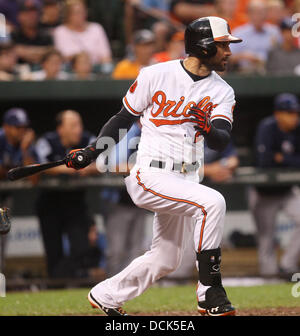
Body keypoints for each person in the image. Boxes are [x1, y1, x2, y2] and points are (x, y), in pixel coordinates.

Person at [64, 16, 242, 316]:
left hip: (186, 178)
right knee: (212, 203)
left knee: (166, 257)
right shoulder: (156, 74)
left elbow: (221, 140)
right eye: (223, 45)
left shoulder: (222, 91)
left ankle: (106, 294)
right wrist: (93, 151)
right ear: (204, 46)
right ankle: (210, 290)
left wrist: (209, 129)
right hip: (151, 172)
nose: (228, 52)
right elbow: (123, 117)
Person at [35, 110, 99, 279]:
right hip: (50, 202)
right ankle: (56, 285)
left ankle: (66, 279)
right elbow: (43, 165)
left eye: (79, 125)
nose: (78, 130)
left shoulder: (87, 140)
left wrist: (89, 169)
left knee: (81, 248)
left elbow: (102, 163)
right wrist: (75, 167)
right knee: (53, 251)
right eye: (72, 126)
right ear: (60, 129)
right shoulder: (48, 141)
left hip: (75, 203)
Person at [249, 93, 300, 278]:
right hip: (263, 193)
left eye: (295, 113)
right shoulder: (267, 127)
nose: (294, 117)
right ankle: (269, 277)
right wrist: (289, 160)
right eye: (289, 113)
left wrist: (283, 158)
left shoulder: (297, 129)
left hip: (287, 191)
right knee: (266, 239)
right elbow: (265, 161)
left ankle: (287, 266)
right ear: (278, 113)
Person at [99, 122, 147, 277]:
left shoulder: (151, 132)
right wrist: (146, 167)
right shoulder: (126, 131)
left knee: (136, 250)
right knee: (116, 251)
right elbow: (116, 165)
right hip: (118, 199)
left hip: (138, 200)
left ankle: (130, 288)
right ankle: (111, 289)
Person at [53, 0, 112, 72]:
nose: (80, 16)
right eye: (76, 13)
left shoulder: (96, 28)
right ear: (68, 15)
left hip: (95, 72)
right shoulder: (60, 31)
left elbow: (106, 57)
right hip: (69, 72)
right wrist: (80, 59)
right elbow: (60, 58)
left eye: (82, 12)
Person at [229, 0, 282, 74]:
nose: (259, 16)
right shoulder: (239, 33)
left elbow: (282, 54)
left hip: (270, 72)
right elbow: (228, 57)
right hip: (245, 74)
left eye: (262, 12)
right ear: (249, 14)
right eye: (256, 12)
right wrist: (243, 56)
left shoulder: (274, 32)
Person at [11, 0, 54, 66]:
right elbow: (13, 52)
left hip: (43, 71)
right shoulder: (13, 35)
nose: (31, 16)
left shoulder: (46, 35)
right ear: (19, 16)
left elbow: (51, 53)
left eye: (34, 13)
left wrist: (24, 51)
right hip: (19, 72)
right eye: (27, 13)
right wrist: (43, 52)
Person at [0, 108, 37, 182]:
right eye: (18, 127)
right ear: (6, 127)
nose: (22, 131)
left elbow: (34, 180)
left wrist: (25, 150)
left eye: (24, 127)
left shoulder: (27, 142)